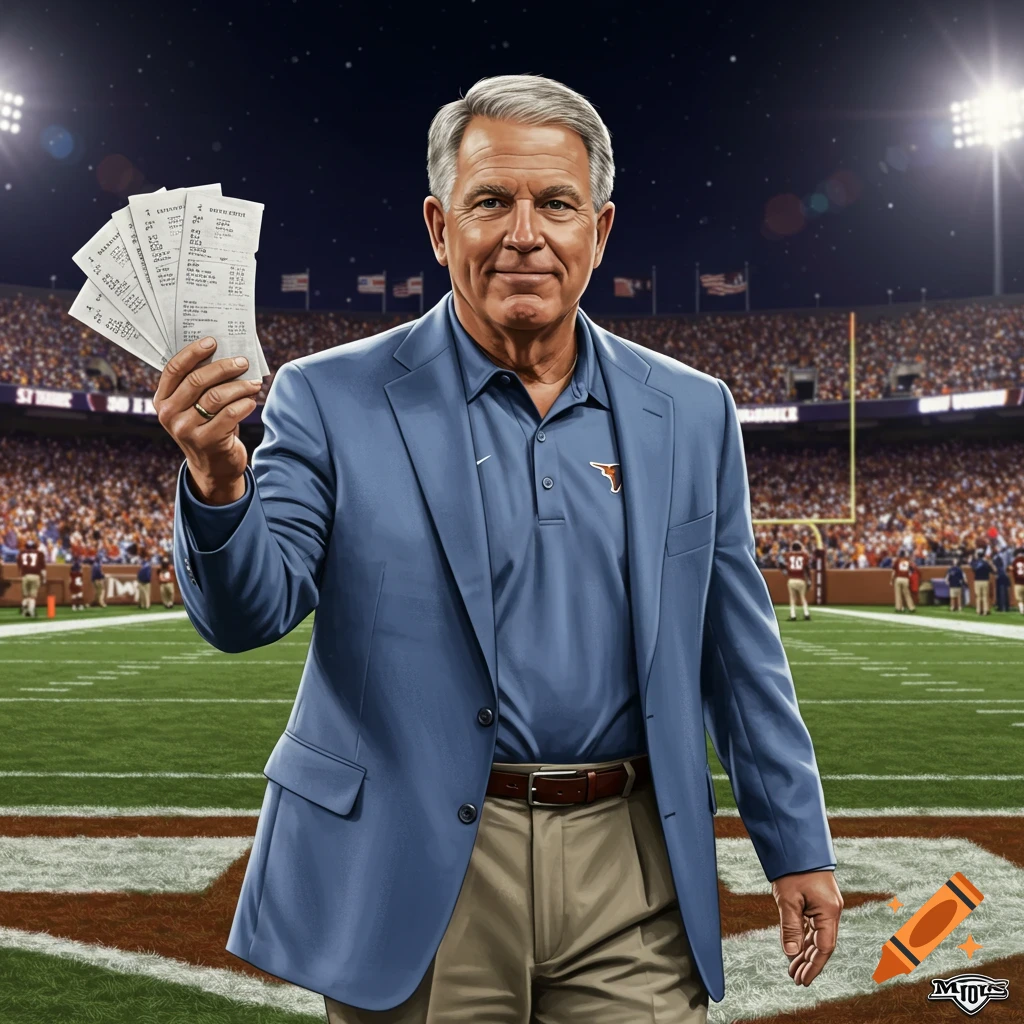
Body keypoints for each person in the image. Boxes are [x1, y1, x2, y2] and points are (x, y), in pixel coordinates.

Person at [157, 74, 841, 1023]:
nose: (525, 233)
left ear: (599, 231)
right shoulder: (329, 396)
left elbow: (737, 653)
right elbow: (246, 614)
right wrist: (221, 486)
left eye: (556, 203)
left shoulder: (691, 410)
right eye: (491, 202)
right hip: (417, 864)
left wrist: (797, 843)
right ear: (441, 228)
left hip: (630, 866)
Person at [16, 537, 46, 617]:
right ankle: (31, 611)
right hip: (35, 575)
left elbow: (19, 565)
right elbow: (43, 568)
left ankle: (24, 608)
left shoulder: (21, 553)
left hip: (25, 576)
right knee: (32, 596)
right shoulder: (40, 553)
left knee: (26, 595)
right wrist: (44, 578)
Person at [784, 541, 812, 621]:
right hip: (801, 579)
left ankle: (793, 615)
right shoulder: (804, 555)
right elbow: (807, 568)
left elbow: (784, 565)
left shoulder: (788, 555)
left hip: (792, 579)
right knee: (803, 598)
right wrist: (809, 579)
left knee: (792, 599)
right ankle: (806, 614)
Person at [971, 549, 993, 616]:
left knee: (978, 596)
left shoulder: (975, 562)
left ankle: (978, 610)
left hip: (977, 580)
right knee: (985, 596)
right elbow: (991, 570)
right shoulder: (986, 563)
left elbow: (973, 569)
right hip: (985, 580)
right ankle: (985, 610)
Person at [1011, 546, 1024, 615]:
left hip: (1018, 582)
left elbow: (1014, 572)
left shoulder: (1015, 561)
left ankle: (1022, 610)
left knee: (1019, 598)